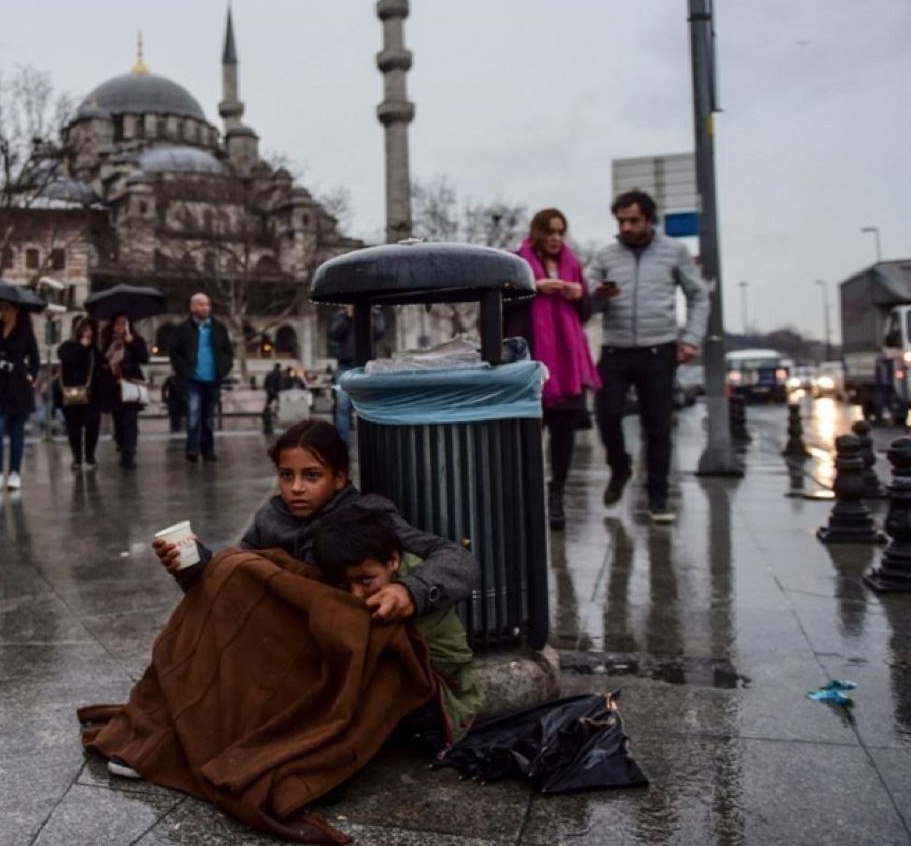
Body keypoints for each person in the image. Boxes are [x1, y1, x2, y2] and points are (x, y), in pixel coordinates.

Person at [152, 420, 475, 622]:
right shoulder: (269, 518)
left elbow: (457, 558)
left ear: (339, 478)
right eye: (286, 475)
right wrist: (194, 567)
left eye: (311, 476)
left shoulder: (368, 514)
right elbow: (238, 585)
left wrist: (409, 592)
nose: (296, 488)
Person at [312, 504, 486, 747]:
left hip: (445, 701)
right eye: (345, 586)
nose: (356, 594)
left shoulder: (415, 586)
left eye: (365, 580)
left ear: (392, 562)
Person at [589, 189, 709, 523]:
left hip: (659, 350)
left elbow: (698, 296)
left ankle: (658, 497)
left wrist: (691, 340)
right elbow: (586, 304)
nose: (626, 227)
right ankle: (619, 467)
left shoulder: (674, 251)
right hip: (615, 350)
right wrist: (599, 295)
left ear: (649, 220)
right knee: (607, 414)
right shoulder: (605, 256)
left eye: (633, 221)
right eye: (621, 221)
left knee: (657, 427)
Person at [511, 208, 602, 531]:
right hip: (531, 362)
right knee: (526, 437)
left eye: (561, 232)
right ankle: (525, 497)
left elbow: (586, 312)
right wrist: (534, 288)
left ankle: (557, 495)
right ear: (537, 232)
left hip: (567, 366)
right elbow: (503, 304)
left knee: (564, 436)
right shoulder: (517, 262)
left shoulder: (573, 264)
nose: (556, 238)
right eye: (550, 231)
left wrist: (580, 295)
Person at [0, 299, 40, 491]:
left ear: (16, 310)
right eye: (0, 309)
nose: (2, 313)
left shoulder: (25, 330)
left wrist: (31, 376)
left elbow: (35, 357)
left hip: (18, 383)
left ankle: (15, 473)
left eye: (7, 309)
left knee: (16, 429)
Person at [167, 292, 233, 463]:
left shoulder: (218, 328)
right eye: (201, 304)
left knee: (209, 417)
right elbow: (174, 352)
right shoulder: (183, 329)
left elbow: (228, 350)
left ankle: (208, 449)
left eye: (207, 305)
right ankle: (192, 449)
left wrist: (224, 368)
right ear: (192, 307)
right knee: (194, 414)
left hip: (213, 378)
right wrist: (182, 370)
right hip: (192, 379)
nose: (205, 308)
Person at [99, 312, 150, 470]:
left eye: (124, 323)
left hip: (131, 383)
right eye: (118, 323)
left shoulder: (136, 340)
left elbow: (144, 358)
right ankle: (121, 443)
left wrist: (131, 342)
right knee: (118, 419)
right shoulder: (108, 341)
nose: (120, 327)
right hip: (114, 385)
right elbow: (102, 360)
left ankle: (129, 452)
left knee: (130, 419)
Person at [327, 305, 386, 441]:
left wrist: (367, 316)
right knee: (342, 406)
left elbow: (379, 332)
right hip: (345, 366)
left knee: (369, 405)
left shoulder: (375, 314)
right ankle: (343, 442)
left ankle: (371, 440)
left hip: (367, 367)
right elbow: (334, 333)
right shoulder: (342, 315)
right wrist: (348, 318)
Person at [57, 317, 101, 471]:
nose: (88, 333)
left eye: (90, 329)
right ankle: (77, 457)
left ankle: (90, 455)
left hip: (91, 394)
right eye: (84, 329)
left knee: (93, 424)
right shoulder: (67, 347)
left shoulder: (94, 350)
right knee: (73, 426)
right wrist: (81, 346)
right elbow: (67, 359)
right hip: (72, 392)